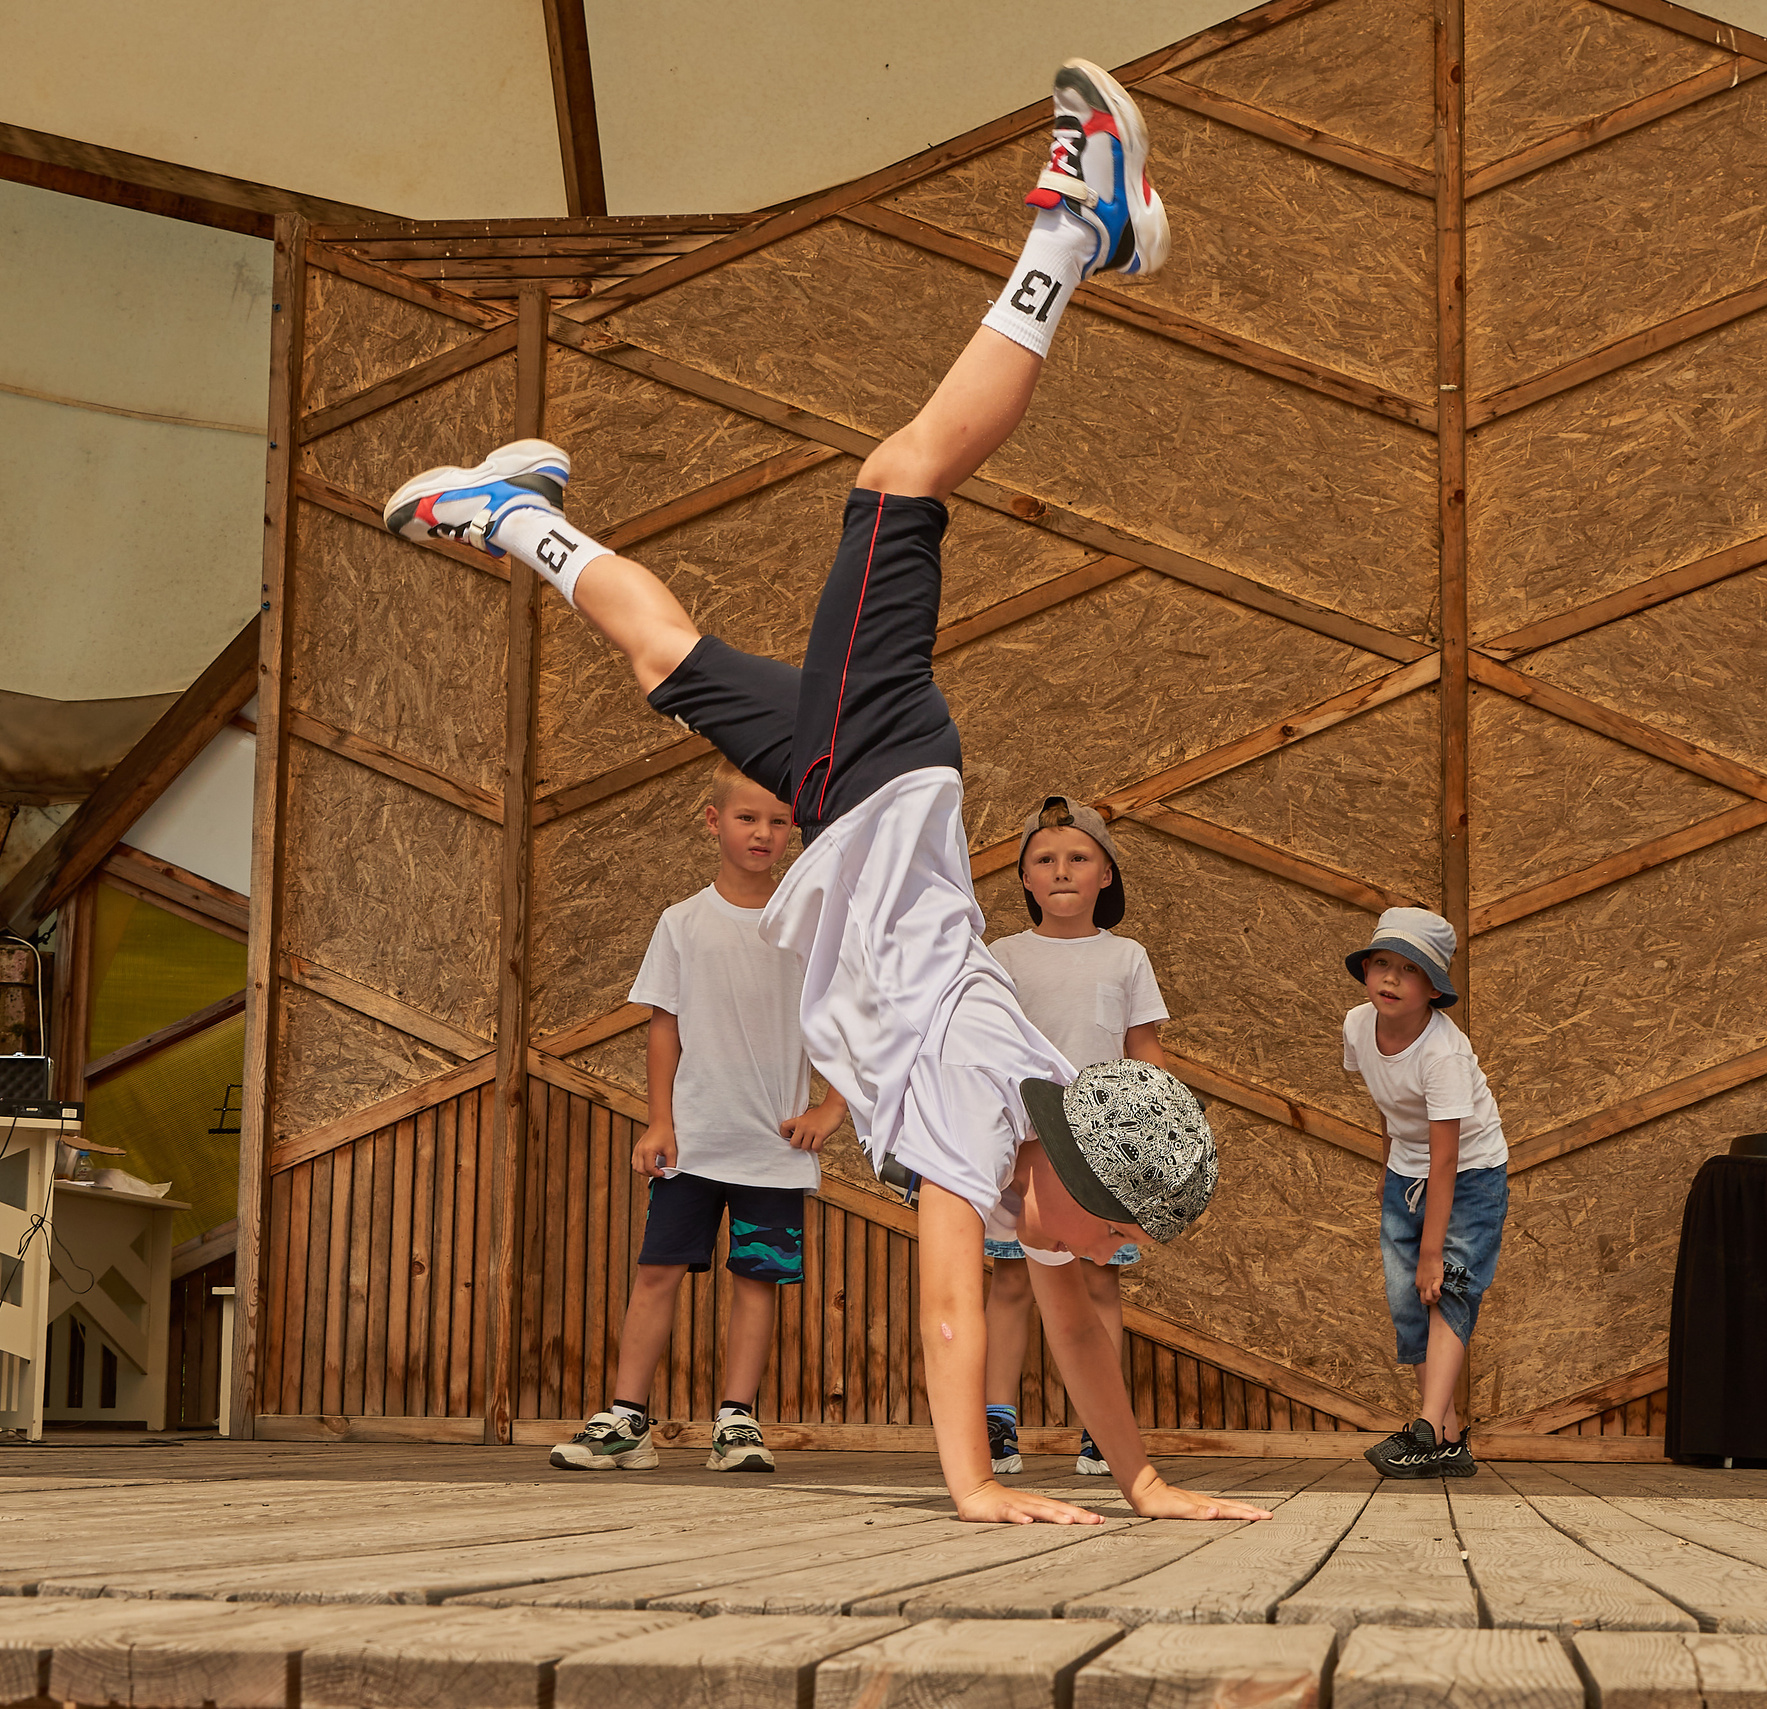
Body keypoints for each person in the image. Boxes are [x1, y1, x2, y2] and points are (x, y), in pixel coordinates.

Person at [384, 58, 1265, 1527]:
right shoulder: (984, 1130)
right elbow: (945, 1312)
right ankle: (1076, 230)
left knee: (667, 659)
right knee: (899, 478)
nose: (1113, 1259)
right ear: (1059, 1172)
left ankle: (516, 514)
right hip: (880, 782)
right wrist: (975, 1485)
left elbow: (1076, 1323)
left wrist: (1148, 1477)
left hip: (846, 790)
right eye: (1112, 1232)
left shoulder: (1050, 1191)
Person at [550, 763, 845, 1474]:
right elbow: (663, 1027)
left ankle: (737, 1421)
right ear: (714, 823)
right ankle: (625, 1419)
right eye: (748, 818)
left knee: (757, 1280)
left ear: (793, 832)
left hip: (773, 1148)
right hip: (693, 1141)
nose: (764, 832)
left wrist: (831, 1106)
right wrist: (660, 1122)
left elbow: (839, 1023)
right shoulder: (681, 922)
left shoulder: (811, 925)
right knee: (656, 1272)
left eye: (779, 821)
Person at [981, 796, 1169, 1477]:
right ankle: (996, 1422)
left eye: (1079, 857)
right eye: (1045, 858)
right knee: (1009, 1281)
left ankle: (1100, 1423)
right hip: (1023, 1149)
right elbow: (983, 1048)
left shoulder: (1126, 957)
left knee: (1097, 1282)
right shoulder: (1001, 955)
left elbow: (1144, 1050)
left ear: (1107, 875)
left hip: (1099, 1156)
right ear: (1025, 879)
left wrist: (1150, 1144)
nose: (1062, 870)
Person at [1341, 908, 1509, 1478]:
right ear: (1365, 969)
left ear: (1433, 988)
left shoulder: (1444, 1054)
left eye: (1409, 970)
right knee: (1410, 1304)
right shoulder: (1357, 1026)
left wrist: (1432, 1252)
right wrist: (1389, 1169)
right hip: (1409, 1174)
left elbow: (1448, 1156)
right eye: (1381, 963)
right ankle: (1449, 1440)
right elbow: (1388, 1105)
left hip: (1470, 1175)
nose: (1390, 979)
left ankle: (1423, 1426)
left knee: (1448, 1290)